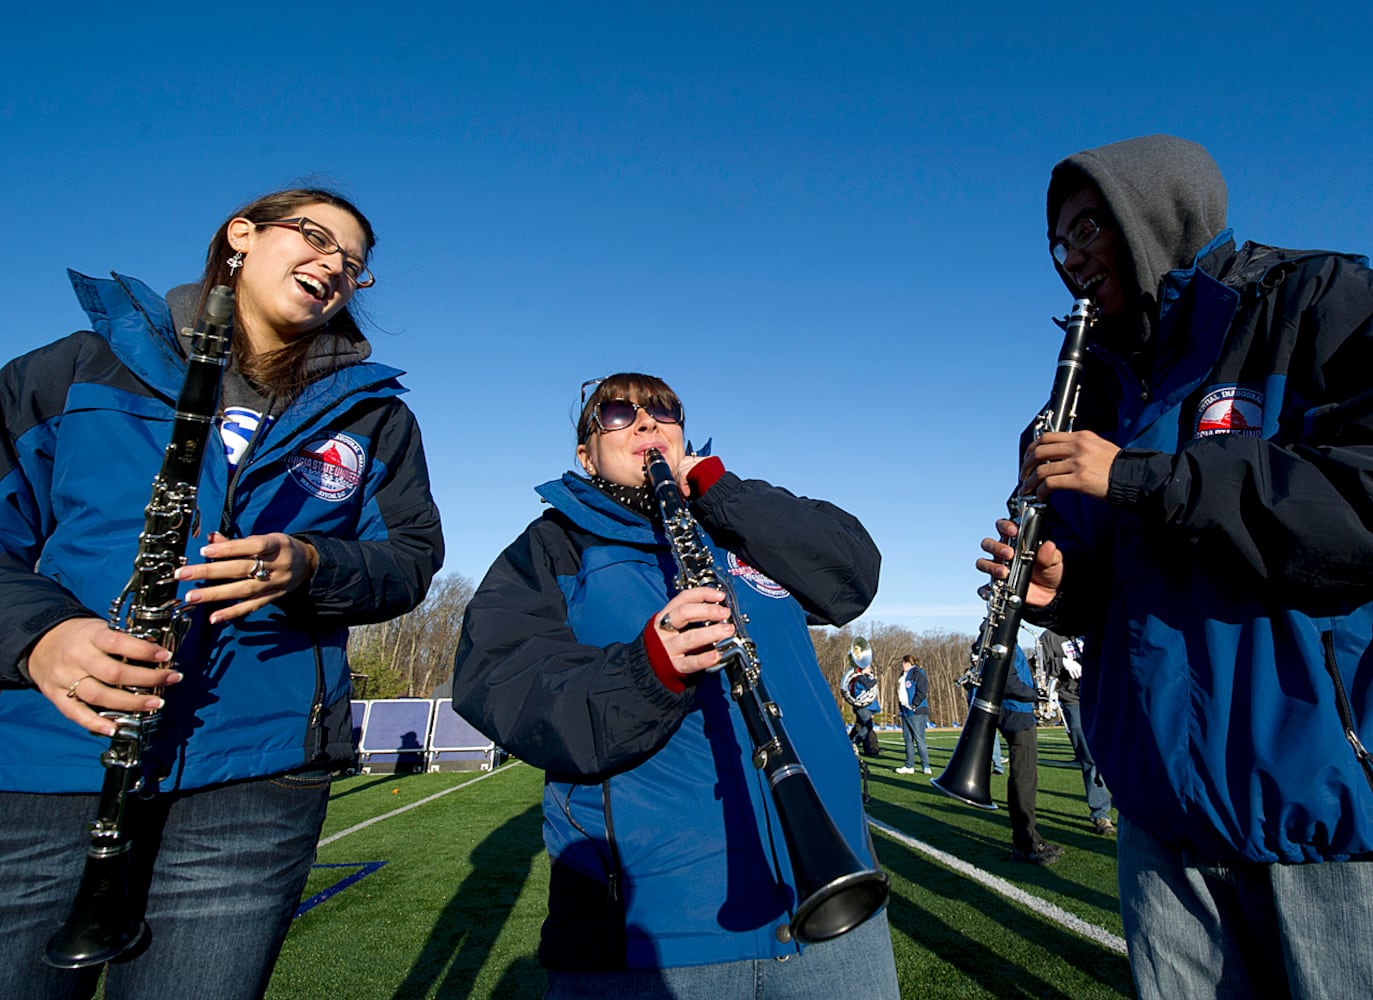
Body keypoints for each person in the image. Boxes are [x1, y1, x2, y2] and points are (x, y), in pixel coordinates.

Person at [0, 189, 444, 999]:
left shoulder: (374, 417)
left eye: (353, 264)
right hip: (46, 758)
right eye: (314, 237)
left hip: (255, 775)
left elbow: (411, 560)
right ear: (241, 235)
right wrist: (39, 638)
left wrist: (313, 563)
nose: (334, 266)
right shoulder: (71, 367)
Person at [977, 134, 1373, 997]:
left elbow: (1358, 509)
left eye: (1090, 227)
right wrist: (1061, 588)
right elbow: (1119, 588)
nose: (1071, 255)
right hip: (1158, 826)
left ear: (1154, 211)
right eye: (1060, 242)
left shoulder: (1315, 298)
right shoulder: (1079, 398)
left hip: (1318, 818)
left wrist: (1134, 475)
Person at [451, 373, 899, 998]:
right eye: (616, 413)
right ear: (585, 453)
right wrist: (649, 668)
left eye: (663, 410)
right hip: (655, 940)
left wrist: (722, 492)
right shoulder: (553, 547)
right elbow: (500, 684)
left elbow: (852, 576)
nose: (645, 422)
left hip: (834, 903)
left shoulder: (742, 523)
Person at [1035, 628, 1112, 834]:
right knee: (1089, 757)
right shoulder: (1049, 636)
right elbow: (1040, 666)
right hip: (1073, 701)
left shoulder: (1093, 624)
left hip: (1104, 695)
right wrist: (1062, 663)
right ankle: (1101, 815)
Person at [1000, 644, 1062, 866]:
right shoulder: (1003, 636)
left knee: (1025, 779)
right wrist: (1037, 694)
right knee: (1024, 780)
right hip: (1016, 713)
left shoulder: (998, 635)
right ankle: (1026, 845)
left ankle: (1030, 838)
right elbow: (1007, 682)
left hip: (1015, 712)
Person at [841, 637, 882, 758]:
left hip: (865, 707)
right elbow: (870, 684)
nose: (870, 668)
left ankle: (851, 744)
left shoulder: (861, 677)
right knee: (867, 727)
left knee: (859, 726)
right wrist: (873, 677)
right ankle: (854, 743)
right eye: (868, 667)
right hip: (863, 707)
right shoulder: (860, 678)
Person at [895, 654, 930, 774]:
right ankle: (909, 765)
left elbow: (922, 690)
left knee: (919, 738)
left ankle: (926, 766)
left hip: (916, 711)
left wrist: (914, 704)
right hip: (905, 711)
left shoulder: (917, 673)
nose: (902, 665)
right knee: (907, 739)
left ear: (909, 663)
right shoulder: (903, 675)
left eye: (904, 663)